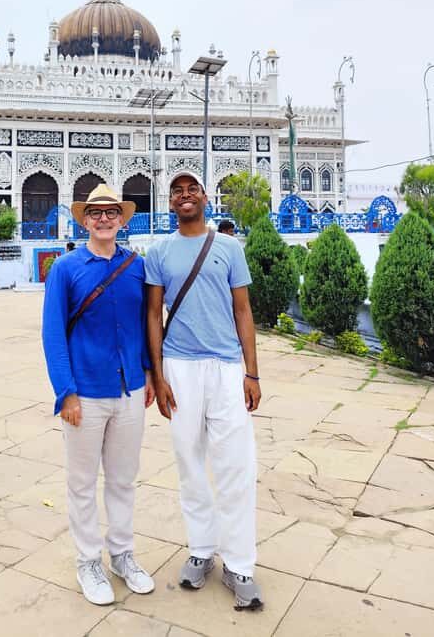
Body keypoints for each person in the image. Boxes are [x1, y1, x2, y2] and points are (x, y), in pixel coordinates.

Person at [145, 172, 263, 611]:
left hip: (226, 368)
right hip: (180, 367)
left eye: (192, 188)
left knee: (235, 465)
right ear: (170, 202)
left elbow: (243, 311)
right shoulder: (159, 251)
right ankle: (201, 549)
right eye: (177, 191)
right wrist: (159, 376)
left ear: (205, 197)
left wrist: (252, 373)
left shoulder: (229, 248)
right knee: (189, 463)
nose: (185, 195)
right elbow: (153, 315)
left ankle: (239, 563)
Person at [42, 183, 156, 606]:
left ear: (122, 220)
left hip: (129, 390)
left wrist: (148, 371)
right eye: (95, 213)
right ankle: (88, 560)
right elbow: (53, 333)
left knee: (124, 479)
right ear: (84, 221)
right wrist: (66, 392)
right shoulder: (66, 269)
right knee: (82, 482)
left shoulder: (136, 267)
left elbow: (145, 323)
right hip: (85, 393)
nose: (104, 219)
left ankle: (122, 554)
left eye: (111, 213)